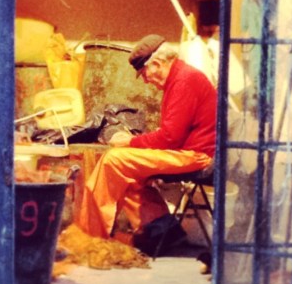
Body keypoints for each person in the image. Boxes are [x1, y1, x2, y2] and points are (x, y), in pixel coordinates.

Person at [76, 34, 217, 242]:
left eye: (144, 73)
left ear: (157, 64)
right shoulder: (180, 78)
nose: (145, 80)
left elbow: (170, 138)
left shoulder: (184, 81)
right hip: (189, 151)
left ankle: (90, 237)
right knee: (126, 168)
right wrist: (136, 143)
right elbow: (173, 134)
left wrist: (130, 141)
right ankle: (161, 232)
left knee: (114, 160)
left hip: (197, 156)